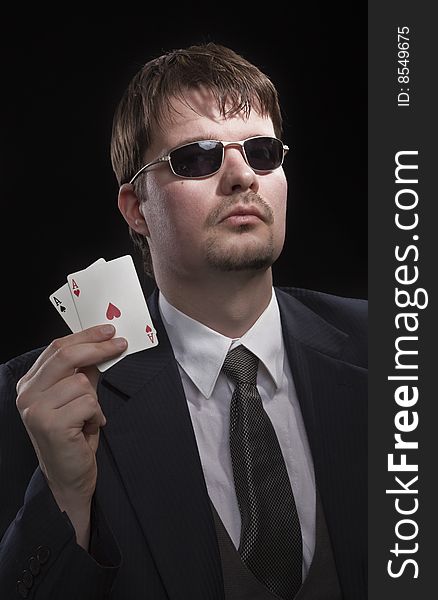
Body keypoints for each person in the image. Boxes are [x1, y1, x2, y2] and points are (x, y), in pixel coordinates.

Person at [0, 43, 367, 599]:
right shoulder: (39, 404)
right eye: (197, 157)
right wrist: (66, 499)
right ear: (136, 208)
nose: (244, 176)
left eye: (263, 152)